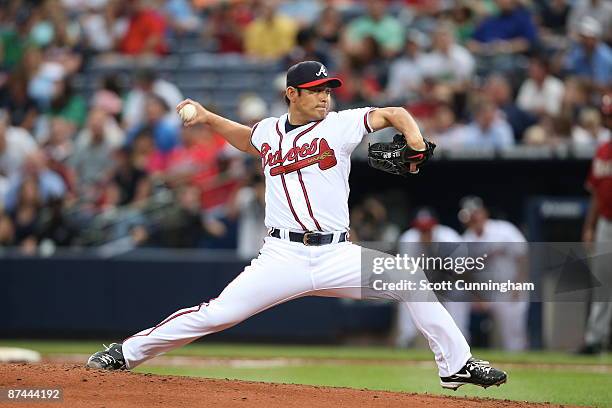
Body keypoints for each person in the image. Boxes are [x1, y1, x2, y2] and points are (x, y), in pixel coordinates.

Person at [86, 60, 507, 390]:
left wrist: (415, 142)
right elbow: (246, 137)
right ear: (292, 94)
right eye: (316, 90)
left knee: (409, 277)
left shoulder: (339, 126)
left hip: (336, 253)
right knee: (216, 314)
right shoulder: (270, 131)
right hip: (282, 256)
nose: (325, 97)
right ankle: (125, 353)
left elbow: (394, 113)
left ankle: (457, 366)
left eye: (328, 89)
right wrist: (208, 117)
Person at [459, 196, 529, 351]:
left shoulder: (504, 230)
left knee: (514, 337)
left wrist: (518, 286)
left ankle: (519, 365)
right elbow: (464, 273)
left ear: (484, 213)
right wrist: (476, 296)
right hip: (484, 293)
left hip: (509, 288)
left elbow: (522, 257)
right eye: (470, 216)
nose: (473, 219)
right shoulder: (466, 240)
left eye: (476, 214)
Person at [395, 208, 471, 347]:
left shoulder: (449, 238)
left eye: (427, 230)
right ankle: (406, 339)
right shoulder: (408, 239)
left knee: (459, 292)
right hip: (423, 284)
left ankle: (461, 341)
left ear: (435, 227)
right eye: (421, 230)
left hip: (449, 283)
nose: (424, 234)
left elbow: (463, 272)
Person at [578, 138, 612, 354]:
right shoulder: (603, 150)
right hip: (606, 222)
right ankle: (595, 339)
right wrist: (589, 226)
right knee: (602, 282)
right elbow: (596, 195)